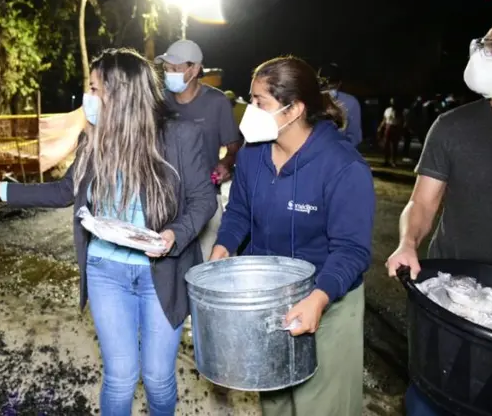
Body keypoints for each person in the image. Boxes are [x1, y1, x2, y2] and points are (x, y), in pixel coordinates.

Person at [0, 48, 216, 416]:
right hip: (106, 270)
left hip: (163, 272)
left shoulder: (179, 136)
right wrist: (3, 190)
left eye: (93, 89)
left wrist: (173, 235)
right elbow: (64, 191)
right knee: (120, 377)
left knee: (157, 378)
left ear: (120, 93)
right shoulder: (92, 139)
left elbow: (203, 200)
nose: (87, 99)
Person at [210, 56, 375, 416]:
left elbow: (351, 250)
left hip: (328, 300)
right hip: (272, 298)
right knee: (276, 400)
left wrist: (319, 298)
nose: (248, 110)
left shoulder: (342, 166)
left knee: (321, 405)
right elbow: (239, 211)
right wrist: (222, 248)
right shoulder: (253, 155)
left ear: (294, 109)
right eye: (249, 99)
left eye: (259, 102)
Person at [386, 26, 492, 416]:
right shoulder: (452, 127)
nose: (482, 52)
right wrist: (408, 242)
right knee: (433, 398)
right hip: (458, 297)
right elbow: (423, 203)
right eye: (485, 44)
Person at [155, 39, 242, 260]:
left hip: (204, 198)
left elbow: (233, 147)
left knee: (211, 265)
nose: (169, 74)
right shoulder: (158, 102)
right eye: (166, 69)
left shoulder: (217, 102)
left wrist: (225, 163)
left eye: (175, 69)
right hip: (166, 200)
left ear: (194, 69)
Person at [319, 62, 363, 147]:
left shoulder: (307, 100)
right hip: (341, 155)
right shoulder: (351, 102)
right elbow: (355, 137)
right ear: (339, 83)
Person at [378, 97, 405, 167]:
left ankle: (393, 161)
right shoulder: (388, 110)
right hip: (388, 127)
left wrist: (400, 130)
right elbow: (384, 119)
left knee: (394, 145)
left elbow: (401, 121)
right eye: (392, 102)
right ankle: (386, 160)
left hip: (395, 127)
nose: (393, 103)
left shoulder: (399, 111)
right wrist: (380, 127)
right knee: (386, 145)